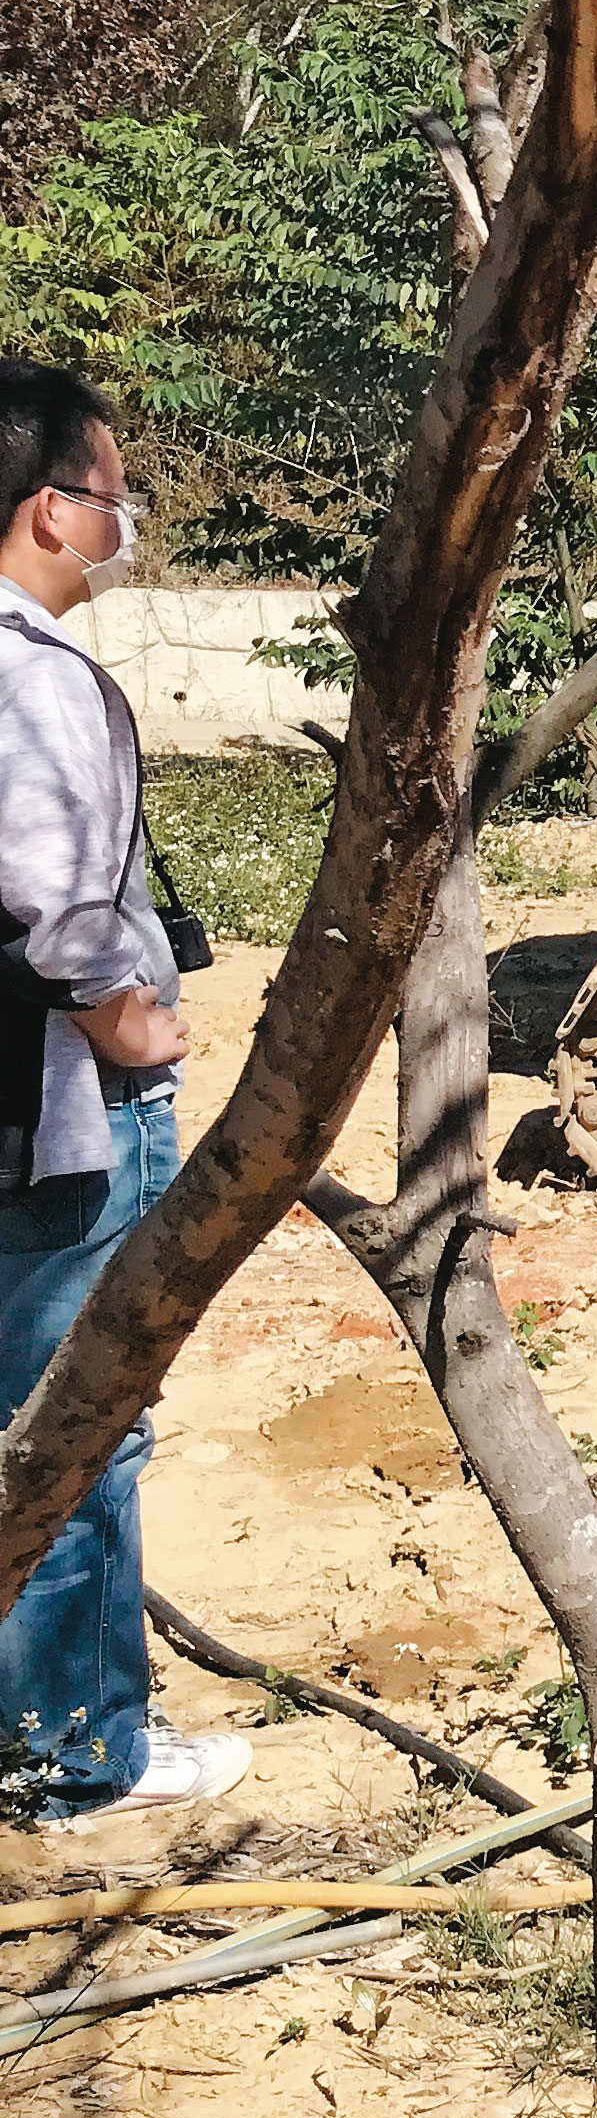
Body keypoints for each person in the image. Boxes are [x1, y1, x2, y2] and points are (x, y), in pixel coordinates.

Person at [0, 361, 241, 1827]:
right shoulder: (29, 681)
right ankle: (77, 1758)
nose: (124, 519)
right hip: (55, 1118)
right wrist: (125, 1016)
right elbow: (48, 891)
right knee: (79, 1416)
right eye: (108, 494)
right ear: (47, 509)